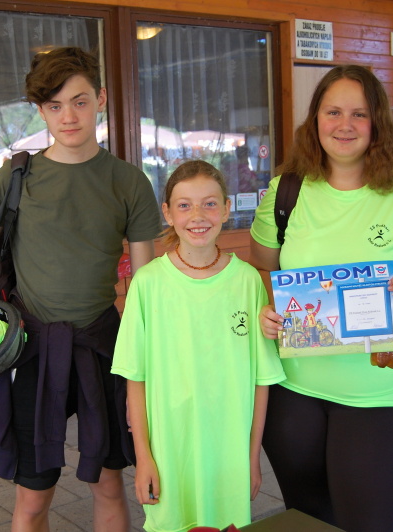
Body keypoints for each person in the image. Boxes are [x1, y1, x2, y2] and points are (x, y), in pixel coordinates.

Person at [0, 47, 161, 531]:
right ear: (41, 110)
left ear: (101, 99)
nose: (69, 116)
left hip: (103, 345)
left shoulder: (128, 181)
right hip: (33, 347)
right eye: (55, 105)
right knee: (32, 495)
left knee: (109, 484)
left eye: (80, 102)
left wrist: (147, 357)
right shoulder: (16, 175)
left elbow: (145, 286)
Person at [248, 64, 393, 532]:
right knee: (310, 521)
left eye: (359, 114)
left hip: (371, 395)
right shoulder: (286, 192)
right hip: (293, 393)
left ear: (377, 123)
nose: (345, 124)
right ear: (315, 119)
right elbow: (263, 270)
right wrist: (267, 310)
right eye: (333, 112)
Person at [112, 160, 286, 531]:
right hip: (170, 453)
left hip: (228, 456)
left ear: (226, 209)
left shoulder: (247, 282)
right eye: (184, 205)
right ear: (168, 213)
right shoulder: (148, 284)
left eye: (209, 204)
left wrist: (252, 457)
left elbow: (261, 380)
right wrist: (144, 458)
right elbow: (135, 379)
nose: (197, 216)